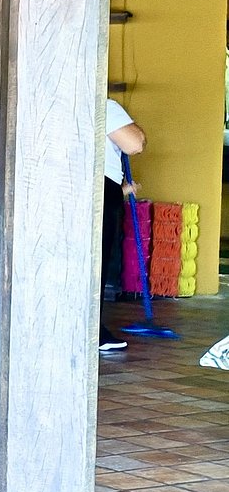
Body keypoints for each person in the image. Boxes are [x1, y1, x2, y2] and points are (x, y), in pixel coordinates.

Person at [101, 98, 145, 352]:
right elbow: (134, 144)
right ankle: (91, 333)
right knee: (93, 265)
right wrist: (136, 129)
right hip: (98, 188)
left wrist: (122, 190)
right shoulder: (104, 105)